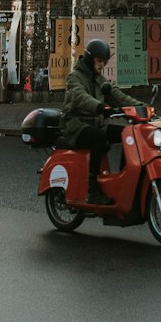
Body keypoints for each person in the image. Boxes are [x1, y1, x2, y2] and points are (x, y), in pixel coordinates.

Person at [59, 37, 128, 205]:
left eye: (104, 62)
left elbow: (118, 95)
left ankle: (125, 179)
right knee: (99, 138)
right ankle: (93, 190)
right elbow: (80, 97)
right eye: (99, 61)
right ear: (90, 60)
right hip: (75, 126)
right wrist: (100, 106)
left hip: (95, 124)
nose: (101, 66)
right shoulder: (74, 77)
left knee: (129, 134)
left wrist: (143, 107)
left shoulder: (99, 79)